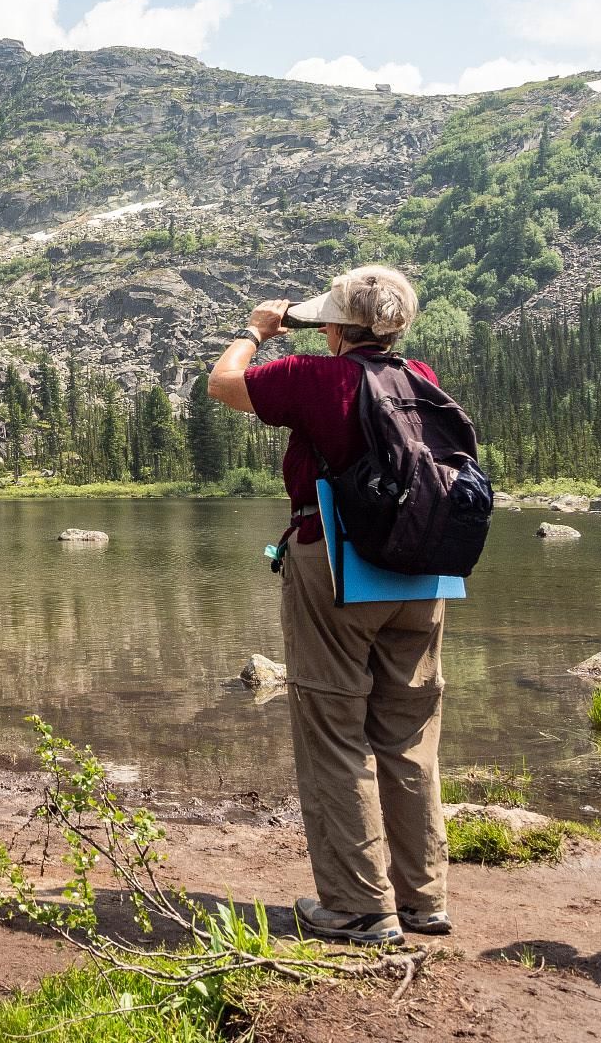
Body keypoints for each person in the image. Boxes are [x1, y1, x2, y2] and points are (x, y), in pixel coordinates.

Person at [207, 264, 450, 947]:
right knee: (407, 736)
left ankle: (354, 906)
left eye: (326, 324)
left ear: (336, 329)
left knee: (333, 728)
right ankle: (422, 899)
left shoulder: (315, 378)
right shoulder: (422, 380)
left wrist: (257, 330)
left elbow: (222, 384)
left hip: (337, 568)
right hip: (423, 573)